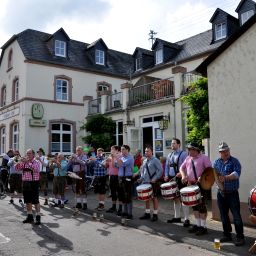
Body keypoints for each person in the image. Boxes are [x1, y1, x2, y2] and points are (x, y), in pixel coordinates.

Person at [213, 142, 245, 246]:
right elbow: (213, 174)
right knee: (223, 215)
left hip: (232, 193)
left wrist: (226, 177)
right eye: (223, 151)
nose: (225, 152)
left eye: (227, 150)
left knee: (236, 215)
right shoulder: (216, 162)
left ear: (229, 151)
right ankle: (227, 235)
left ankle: (240, 237)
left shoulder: (234, 161)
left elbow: (236, 174)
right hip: (221, 193)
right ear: (220, 152)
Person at [180, 142, 212, 236]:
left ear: (196, 150)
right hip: (191, 184)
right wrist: (183, 176)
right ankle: (198, 225)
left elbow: (209, 171)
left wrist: (202, 177)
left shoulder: (204, 158)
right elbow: (181, 168)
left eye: (190, 149)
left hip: (201, 185)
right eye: (188, 149)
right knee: (194, 205)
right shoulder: (188, 158)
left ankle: (203, 227)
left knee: (201, 206)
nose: (189, 151)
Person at [164, 138, 190, 227]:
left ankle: (187, 219)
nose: (172, 145)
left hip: (180, 178)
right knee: (175, 198)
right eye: (171, 143)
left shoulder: (184, 154)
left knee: (183, 198)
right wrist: (166, 175)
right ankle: (177, 217)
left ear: (179, 144)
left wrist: (183, 174)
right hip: (172, 178)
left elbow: (187, 166)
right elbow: (167, 166)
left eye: (174, 143)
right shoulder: (170, 155)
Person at [15, 149, 41, 225]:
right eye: (27, 153)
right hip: (25, 183)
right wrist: (19, 162)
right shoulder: (24, 162)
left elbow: (36, 169)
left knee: (35, 201)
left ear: (33, 154)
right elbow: (17, 169)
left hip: (34, 183)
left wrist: (27, 162)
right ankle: (30, 217)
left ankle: (38, 217)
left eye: (29, 153)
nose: (28, 155)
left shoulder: (36, 162)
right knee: (27, 201)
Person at [139, 146, 163, 222]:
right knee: (146, 198)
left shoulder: (155, 160)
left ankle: (155, 214)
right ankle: (147, 213)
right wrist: (141, 178)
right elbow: (143, 171)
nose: (146, 152)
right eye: (145, 151)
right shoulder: (145, 161)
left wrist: (155, 178)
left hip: (153, 182)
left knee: (154, 198)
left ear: (151, 152)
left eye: (148, 151)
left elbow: (160, 170)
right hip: (145, 182)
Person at [115, 145, 134, 219]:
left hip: (127, 178)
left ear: (127, 150)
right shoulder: (121, 157)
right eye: (121, 149)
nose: (121, 151)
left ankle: (130, 213)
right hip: (121, 178)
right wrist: (117, 158)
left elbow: (121, 164)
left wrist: (116, 157)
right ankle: (124, 212)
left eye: (123, 149)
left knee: (128, 195)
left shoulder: (130, 157)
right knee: (122, 195)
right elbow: (116, 165)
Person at [68, 146, 88, 211]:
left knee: (83, 188)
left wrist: (77, 158)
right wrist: (70, 159)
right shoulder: (75, 156)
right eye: (77, 150)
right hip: (75, 173)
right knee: (76, 188)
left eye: (79, 150)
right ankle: (78, 203)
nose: (77, 151)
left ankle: (85, 204)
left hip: (81, 173)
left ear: (82, 150)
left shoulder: (84, 156)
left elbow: (84, 164)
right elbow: (69, 165)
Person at [106, 145, 122, 214]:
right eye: (111, 149)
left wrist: (113, 157)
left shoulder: (120, 156)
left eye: (112, 149)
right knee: (113, 192)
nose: (111, 150)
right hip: (111, 175)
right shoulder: (111, 156)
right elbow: (107, 166)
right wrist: (106, 163)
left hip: (117, 176)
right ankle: (114, 206)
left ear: (117, 150)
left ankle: (120, 208)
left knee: (119, 192)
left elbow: (114, 165)